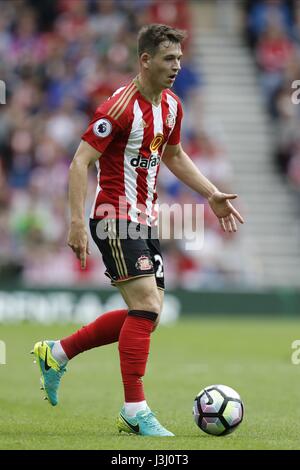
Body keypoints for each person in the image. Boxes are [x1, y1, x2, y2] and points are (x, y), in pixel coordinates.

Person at [32, 24, 244, 437]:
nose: (177, 66)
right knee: (147, 305)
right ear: (145, 60)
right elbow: (79, 162)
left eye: (180, 59)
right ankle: (134, 410)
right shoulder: (117, 107)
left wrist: (212, 193)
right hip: (113, 216)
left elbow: (175, 154)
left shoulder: (172, 107)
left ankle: (56, 353)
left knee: (147, 314)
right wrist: (76, 222)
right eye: (169, 59)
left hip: (146, 218)